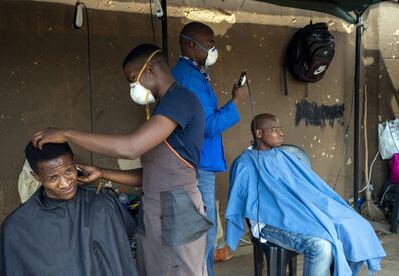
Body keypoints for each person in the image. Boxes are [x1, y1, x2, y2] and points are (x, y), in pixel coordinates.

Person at [31, 43, 212, 276]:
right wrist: (102, 172)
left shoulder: (181, 100)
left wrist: (67, 133)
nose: (133, 87)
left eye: (133, 79)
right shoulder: (162, 110)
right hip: (154, 210)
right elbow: (150, 176)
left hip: (179, 211)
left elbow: (131, 148)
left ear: (151, 69)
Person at [225, 113, 386, 276]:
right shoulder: (245, 163)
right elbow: (243, 201)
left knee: (355, 226)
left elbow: (306, 187)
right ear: (259, 133)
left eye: (280, 129)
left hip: (299, 214)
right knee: (322, 246)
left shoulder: (285, 156)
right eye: (274, 130)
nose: (280, 133)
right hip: (270, 223)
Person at [0, 142, 138, 276]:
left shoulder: (103, 206)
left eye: (68, 171)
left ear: (75, 164)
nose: (65, 183)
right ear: (37, 176)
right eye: (53, 178)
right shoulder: (17, 228)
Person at [172, 21, 248, 275]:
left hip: (202, 160)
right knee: (204, 229)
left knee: (205, 227)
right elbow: (206, 125)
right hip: (198, 163)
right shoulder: (187, 77)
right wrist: (236, 101)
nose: (214, 50)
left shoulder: (194, 73)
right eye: (210, 44)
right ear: (192, 45)